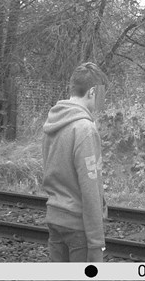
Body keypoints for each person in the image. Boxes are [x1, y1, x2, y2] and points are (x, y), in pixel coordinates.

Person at [41, 62, 109, 262]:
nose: (101, 101)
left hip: (55, 218)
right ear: (92, 92)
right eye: (101, 95)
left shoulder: (53, 122)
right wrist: (97, 243)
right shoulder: (84, 129)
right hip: (77, 226)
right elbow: (91, 188)